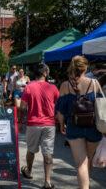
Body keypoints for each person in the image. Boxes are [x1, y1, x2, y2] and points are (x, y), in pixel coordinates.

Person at [56, 56, 103, 189]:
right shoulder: (95, 84)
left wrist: (61, 124)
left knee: (81, 163)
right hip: (93, 127)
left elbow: (60, 109)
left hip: (74, 127)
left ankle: (83, 186)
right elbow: (100, 108)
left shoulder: (65, 85)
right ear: (86, 68)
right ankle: (83, 185)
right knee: (87, 160)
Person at [19, 63, 59, 189]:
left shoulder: (29, 87)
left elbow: (23, 107)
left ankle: (29, 171)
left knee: (31, 149)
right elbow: (58, 105)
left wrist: (20, 121)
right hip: (49, 124)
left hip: (33, 123)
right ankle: (47, 181)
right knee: (47, 153)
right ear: (45, 73)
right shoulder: (53, 88)